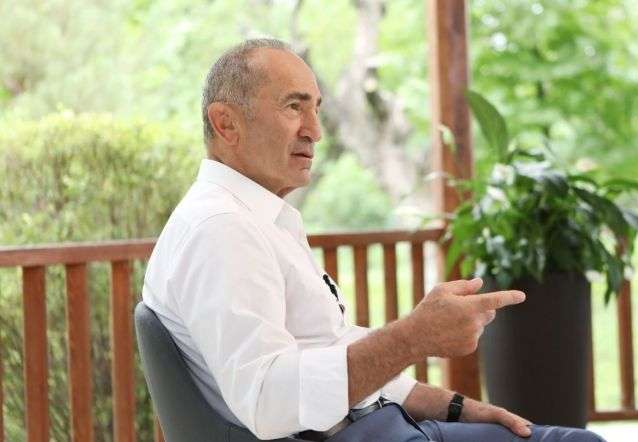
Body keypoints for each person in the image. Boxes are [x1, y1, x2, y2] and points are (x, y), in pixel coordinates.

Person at [142, 38, 605, 442]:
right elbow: (268, 400)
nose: (315, 130)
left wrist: (457, 407)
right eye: (293, 107)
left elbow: (330, 352)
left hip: (383, 425)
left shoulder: (258, 219)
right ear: (226, 124)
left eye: (316, 108)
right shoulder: (221, 230)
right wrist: (415, 337)